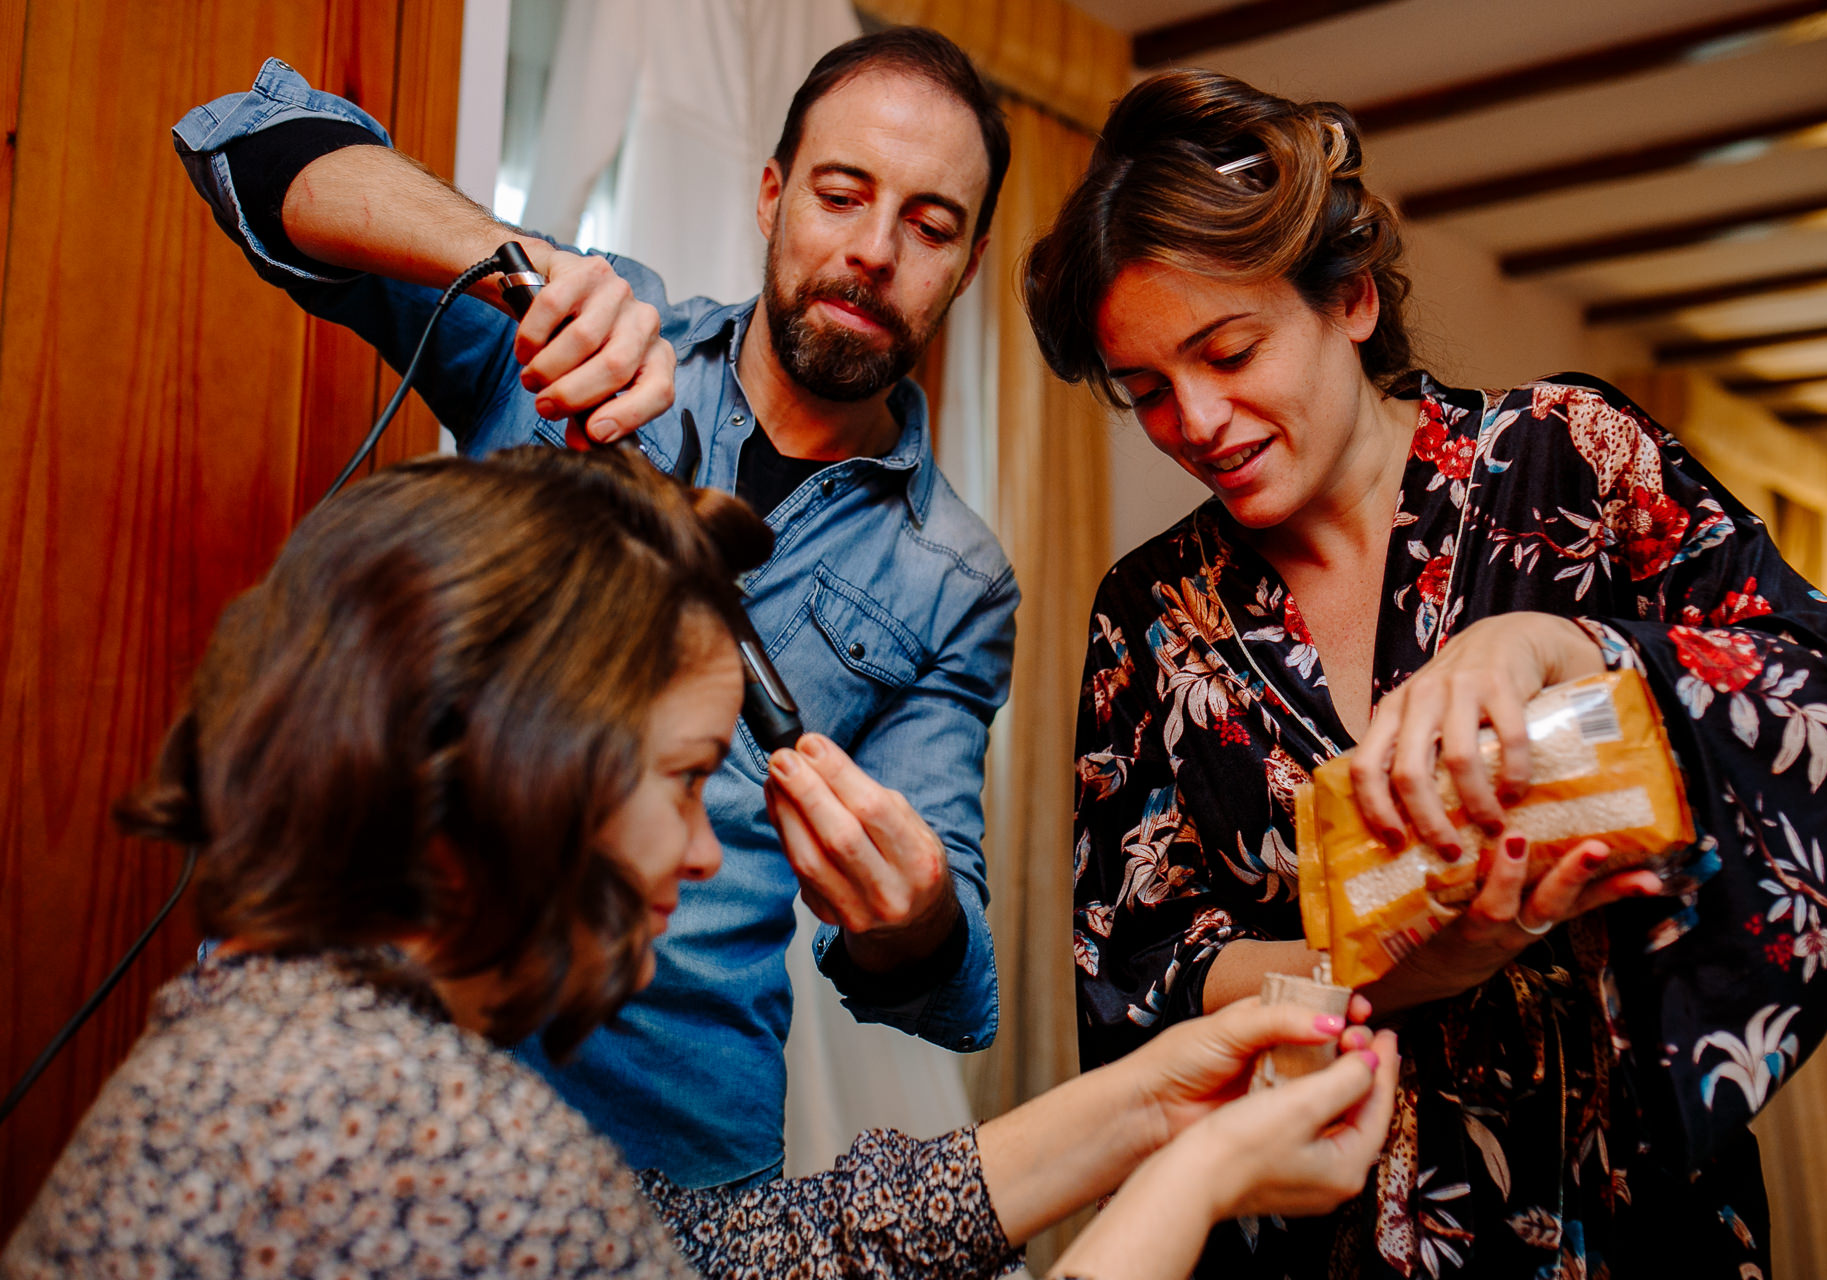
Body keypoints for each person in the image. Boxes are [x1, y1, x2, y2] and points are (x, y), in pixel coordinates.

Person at [0, 446, 1399, 1280]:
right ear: (502, 764)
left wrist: (1149, 1109)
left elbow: (723, 1257)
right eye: (682, 781)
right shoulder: (419, 1138)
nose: (705, 843)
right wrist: (1194, 1182)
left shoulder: (306, 1040)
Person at [1020, 69, 1827, 1278]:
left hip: (1612, 1207)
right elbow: (1133, 960)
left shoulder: (1567, 459)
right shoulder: (1151, 615)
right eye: (1149, 393)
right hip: (1307, 1230)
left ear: (1351, 300)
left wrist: (1564, 645)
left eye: (1229, 351)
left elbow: (1826, 691)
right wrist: (1373, 969)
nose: (1200, 419)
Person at [173, 27, 1017, 1188]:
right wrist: (514, 258)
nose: (875, 250)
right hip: (371, 1039)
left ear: (966, 265)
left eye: (930, 225)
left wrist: (912, 906)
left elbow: (953, 981)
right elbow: (253, 150)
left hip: (664, 1140)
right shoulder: (581, 317)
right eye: (841, 193)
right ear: (771, 196)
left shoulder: (958, 579)